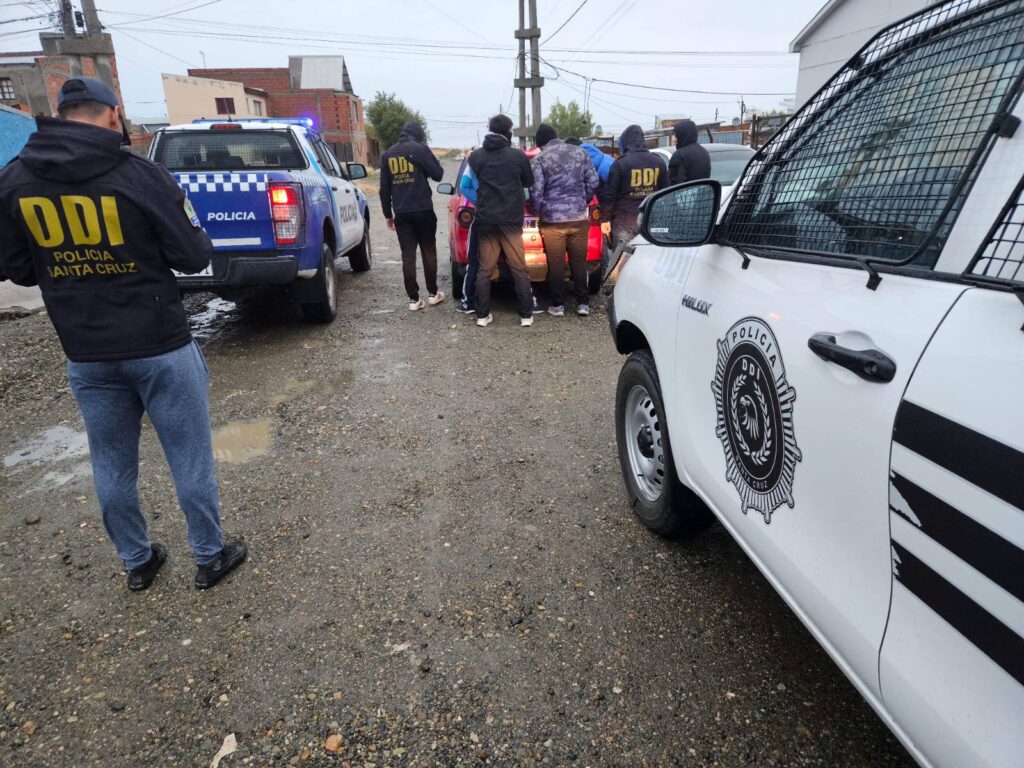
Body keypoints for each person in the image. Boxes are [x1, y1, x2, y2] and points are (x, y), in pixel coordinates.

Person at [0, 77, 246, 592]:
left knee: (111, 462)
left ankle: (138, 562)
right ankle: (209, 555)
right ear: (114, 113)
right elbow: (192, 255)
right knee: (189, 456)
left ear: (58, 114)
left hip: (86, 350)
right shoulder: (139, 175)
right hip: (160, 345)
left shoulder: (15, 179)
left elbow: (16, 267)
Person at [467, 114, 535, 328]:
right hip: (510, 220)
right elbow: (529, 181)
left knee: (485, 269)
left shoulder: (476, 157)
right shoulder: (518, 156)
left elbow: (472, 182)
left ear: (490, 129)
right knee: (518, 267)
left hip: (486, 219)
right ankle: (526, 315)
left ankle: (482, 315)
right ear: (508, 131)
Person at [529, 123, 599, 317]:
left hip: (553, 222)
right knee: (579, 262)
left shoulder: (539, 159)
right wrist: (582, 201)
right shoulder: (580, 153)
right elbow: (594, 182)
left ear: (541, 144)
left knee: (556, 264)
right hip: (578, 218)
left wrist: (540, 211)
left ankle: (558, 305)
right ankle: (583, 304)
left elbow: (536, 192)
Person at [379, 121, 445, 311]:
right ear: (418, 134)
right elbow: (438, 175)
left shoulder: (388, 154)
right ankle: (433, 294)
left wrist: (387, 214)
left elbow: (384, 189)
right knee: (428, 251)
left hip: (401, 212)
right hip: (423, 209)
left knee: (407, 255)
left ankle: (413, 300)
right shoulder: (421, 149)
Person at [599, 124, 667, 248]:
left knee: (623, 257)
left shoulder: (621, 164)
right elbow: (666, 193)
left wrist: (605, 219)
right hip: (650, 220)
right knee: (650, 256)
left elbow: (610, 195)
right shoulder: (659, 162)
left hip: (625, 221)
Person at [668, 119, 711, 186]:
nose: (674, 140)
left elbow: (675, 184)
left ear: (682, 134)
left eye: (676, 135)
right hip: (702, 191)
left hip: (686, 192)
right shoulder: (704, 152)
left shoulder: (680, 155)